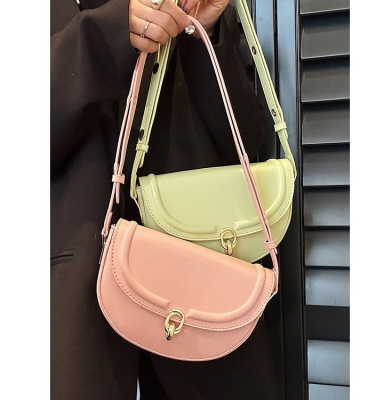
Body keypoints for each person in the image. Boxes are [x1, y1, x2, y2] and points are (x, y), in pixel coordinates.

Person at [51, 0, 280, 398]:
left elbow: (246, 142)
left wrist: (205, 33)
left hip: (200, 265)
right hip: (75, 278)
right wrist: (106, 35)